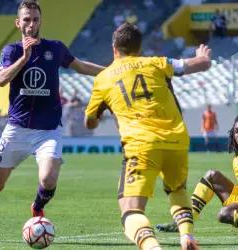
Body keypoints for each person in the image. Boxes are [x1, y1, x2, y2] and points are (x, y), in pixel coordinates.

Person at [0, 0, 105, 243]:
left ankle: (37, 206)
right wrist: (25, 57)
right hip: (17, 129)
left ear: (40, 21)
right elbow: (1, 80)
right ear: (18, 23)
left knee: (48, 179)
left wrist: (112, 71)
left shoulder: (56, 48)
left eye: (35, 19)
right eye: (26, 20)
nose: (31, 24)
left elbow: (82, 66)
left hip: (48, 130)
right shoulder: (11, 51)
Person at [84, 23, 211, 250]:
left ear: (114, 47)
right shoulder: (157, 62)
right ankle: (187, 236)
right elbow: (202, 64)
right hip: (177, 139)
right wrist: (202, 56)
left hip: (141, 145)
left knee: (130, 211)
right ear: (140, 48)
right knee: (177, 190)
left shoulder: (103, 79)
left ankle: (153, 247)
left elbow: (89, 122)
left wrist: (106, 109)